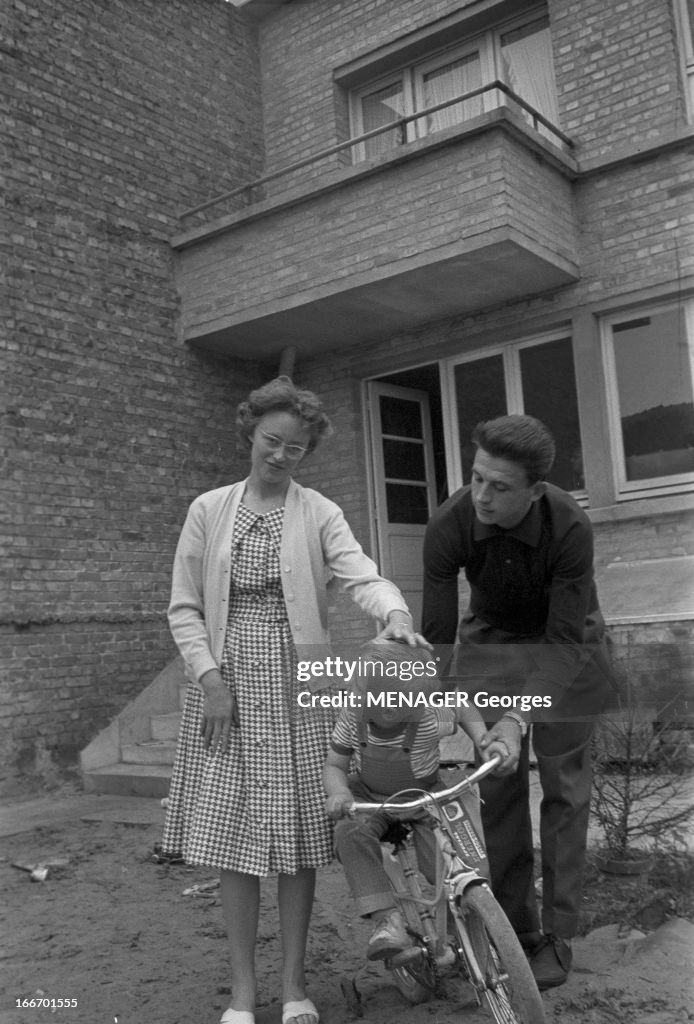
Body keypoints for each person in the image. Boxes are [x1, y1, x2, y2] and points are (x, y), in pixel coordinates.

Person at [161, 377, 430, 1024]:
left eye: (295, 448)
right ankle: (242, 993)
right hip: (225, 693)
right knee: (234, 844)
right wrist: (210, 680)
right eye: (271, 441)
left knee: (299, 842)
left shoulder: (318, 512)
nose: (280, 455)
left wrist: (394, 613)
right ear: (250, 434)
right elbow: (185, 607)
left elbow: (362, 575)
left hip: (297, 693)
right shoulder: (208, 509)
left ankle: (292, 988)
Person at [421, 414, 614, 990]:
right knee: (497, 782)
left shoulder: (570, 525)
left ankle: (558, 936)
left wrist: (516, 717)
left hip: (568, 645)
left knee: (564, 789)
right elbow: (437, 636)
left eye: (500, 486)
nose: (482, 495)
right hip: (493, 643)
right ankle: (516, 929)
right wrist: (448, 703)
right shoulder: (450, 522)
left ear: (535, 490)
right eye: (477, 477)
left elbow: (562, 643)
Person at [322, 638, 519, 961]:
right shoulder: (353, 718)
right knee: (349, 833)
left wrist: (483, 742)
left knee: (453, 860)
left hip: (425, 796)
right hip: (372, 799)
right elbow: (334, 765)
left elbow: (461, 705)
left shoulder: (429, 718)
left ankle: (464, 922)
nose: (387, 706)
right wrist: (339, 792)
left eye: (401, 700)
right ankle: (387, 919)